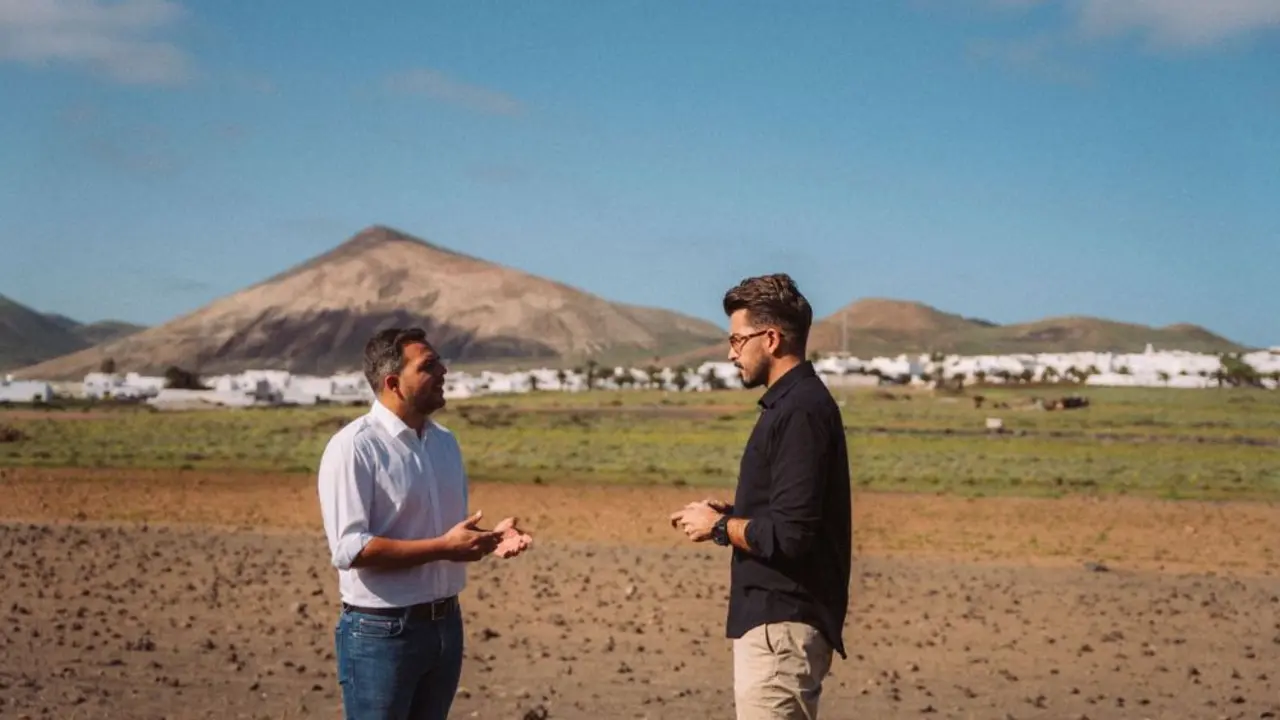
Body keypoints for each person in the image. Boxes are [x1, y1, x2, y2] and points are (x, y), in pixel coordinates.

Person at [317, 327, 532, 720]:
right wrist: (445, 548)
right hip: (382, 633)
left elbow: (446, 536)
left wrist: (489, 540)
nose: (444, 371)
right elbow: (350, 549)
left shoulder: (444, 442)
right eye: (429, 365)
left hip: (446, 626)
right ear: (393, 383)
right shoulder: (354, 447)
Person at [669, 273, 851, 720]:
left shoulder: (800, 411)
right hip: (777, 625)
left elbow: (792, 535)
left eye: (737, 339)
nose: (731, 353)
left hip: (782, 628)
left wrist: (718, 527)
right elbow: (793, 511)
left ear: (770, 338)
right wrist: (736, 514)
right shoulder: (792, 406)